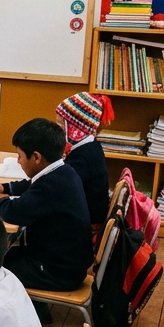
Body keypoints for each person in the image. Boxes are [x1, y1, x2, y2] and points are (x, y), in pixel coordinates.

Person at [0, 118, 93, 292]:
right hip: (67, 262)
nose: (18, 161)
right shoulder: (64, 171)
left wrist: (2, 200)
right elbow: (31, 185)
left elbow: (13, 212)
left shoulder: (49, 187)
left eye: (20, 155)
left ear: (36, 157)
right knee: (0, 256)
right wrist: (6, 187)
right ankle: (38, 308)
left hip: (57, 272)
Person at [57, 91, 113, 232]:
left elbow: (57, 183)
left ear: (74, 126)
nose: (58, 129)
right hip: (87, 215)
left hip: (85, 225)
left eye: (60, 124)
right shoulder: (90, 145)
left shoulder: (82, 157)